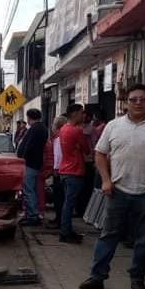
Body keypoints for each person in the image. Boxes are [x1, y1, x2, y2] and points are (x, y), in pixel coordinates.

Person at [79, 84, 145, 289]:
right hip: (118, 191)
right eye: (133, 99)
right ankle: (97, 277)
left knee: (143, 240)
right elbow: (99, 154)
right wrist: (106, 180)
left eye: (142, 99)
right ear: (126, 102)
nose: (138, 103)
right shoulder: (114, 126)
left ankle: (137, 279)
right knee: (108, 236)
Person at [58, 104, 91, 243]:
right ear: (74, 114)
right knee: (69, 204)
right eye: (81, 112)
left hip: (65, 169)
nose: (83, 115)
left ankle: (66, 230)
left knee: (68, 203)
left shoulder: (63, 129)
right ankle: (65, 232)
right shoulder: (76, 131)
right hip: (74, 170)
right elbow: (87, 149)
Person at [16, 109, 49, 226]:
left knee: (28, 190)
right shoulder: (42, 128)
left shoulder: (35, 129)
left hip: (30, 163)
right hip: (35, 163)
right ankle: (32, 214)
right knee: (32, 190)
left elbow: (29, 146)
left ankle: (32, 215)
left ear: (30, 118)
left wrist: (22, 157)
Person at [47, 115, 69, 229]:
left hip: (60, 171)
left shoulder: (60, 138)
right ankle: (58, 218)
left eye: (53, 125)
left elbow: (59, 156)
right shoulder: (57, 138)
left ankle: (60, 221)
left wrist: (55, 169)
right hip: (60, 170)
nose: (52, 127)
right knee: (58, 197)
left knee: (59, 197)